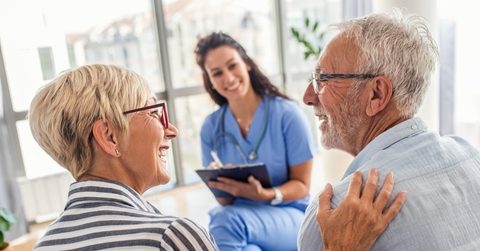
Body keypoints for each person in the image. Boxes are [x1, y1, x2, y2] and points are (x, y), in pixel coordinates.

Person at [298, 7, 480, 250]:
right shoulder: (471, 157)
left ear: (376, 94)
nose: (308, 97)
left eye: (322, 79)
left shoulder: (333, 216)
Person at [29, 64, 218, 250]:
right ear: (109, 136)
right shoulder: (172, 238)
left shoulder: (44, 247)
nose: (172, 131)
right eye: (153, 112)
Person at [195, 32, 316, 251]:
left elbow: (302, 187)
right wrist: (221, 184)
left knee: (225, 221)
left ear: (247, 64)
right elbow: (224, 203)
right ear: (210, 80)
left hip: (290, 214)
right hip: (243, 215)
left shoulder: (287, 115)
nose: (229, 78)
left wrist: (266, 194)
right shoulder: (211, 127)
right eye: (217, 73)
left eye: (232, 66)